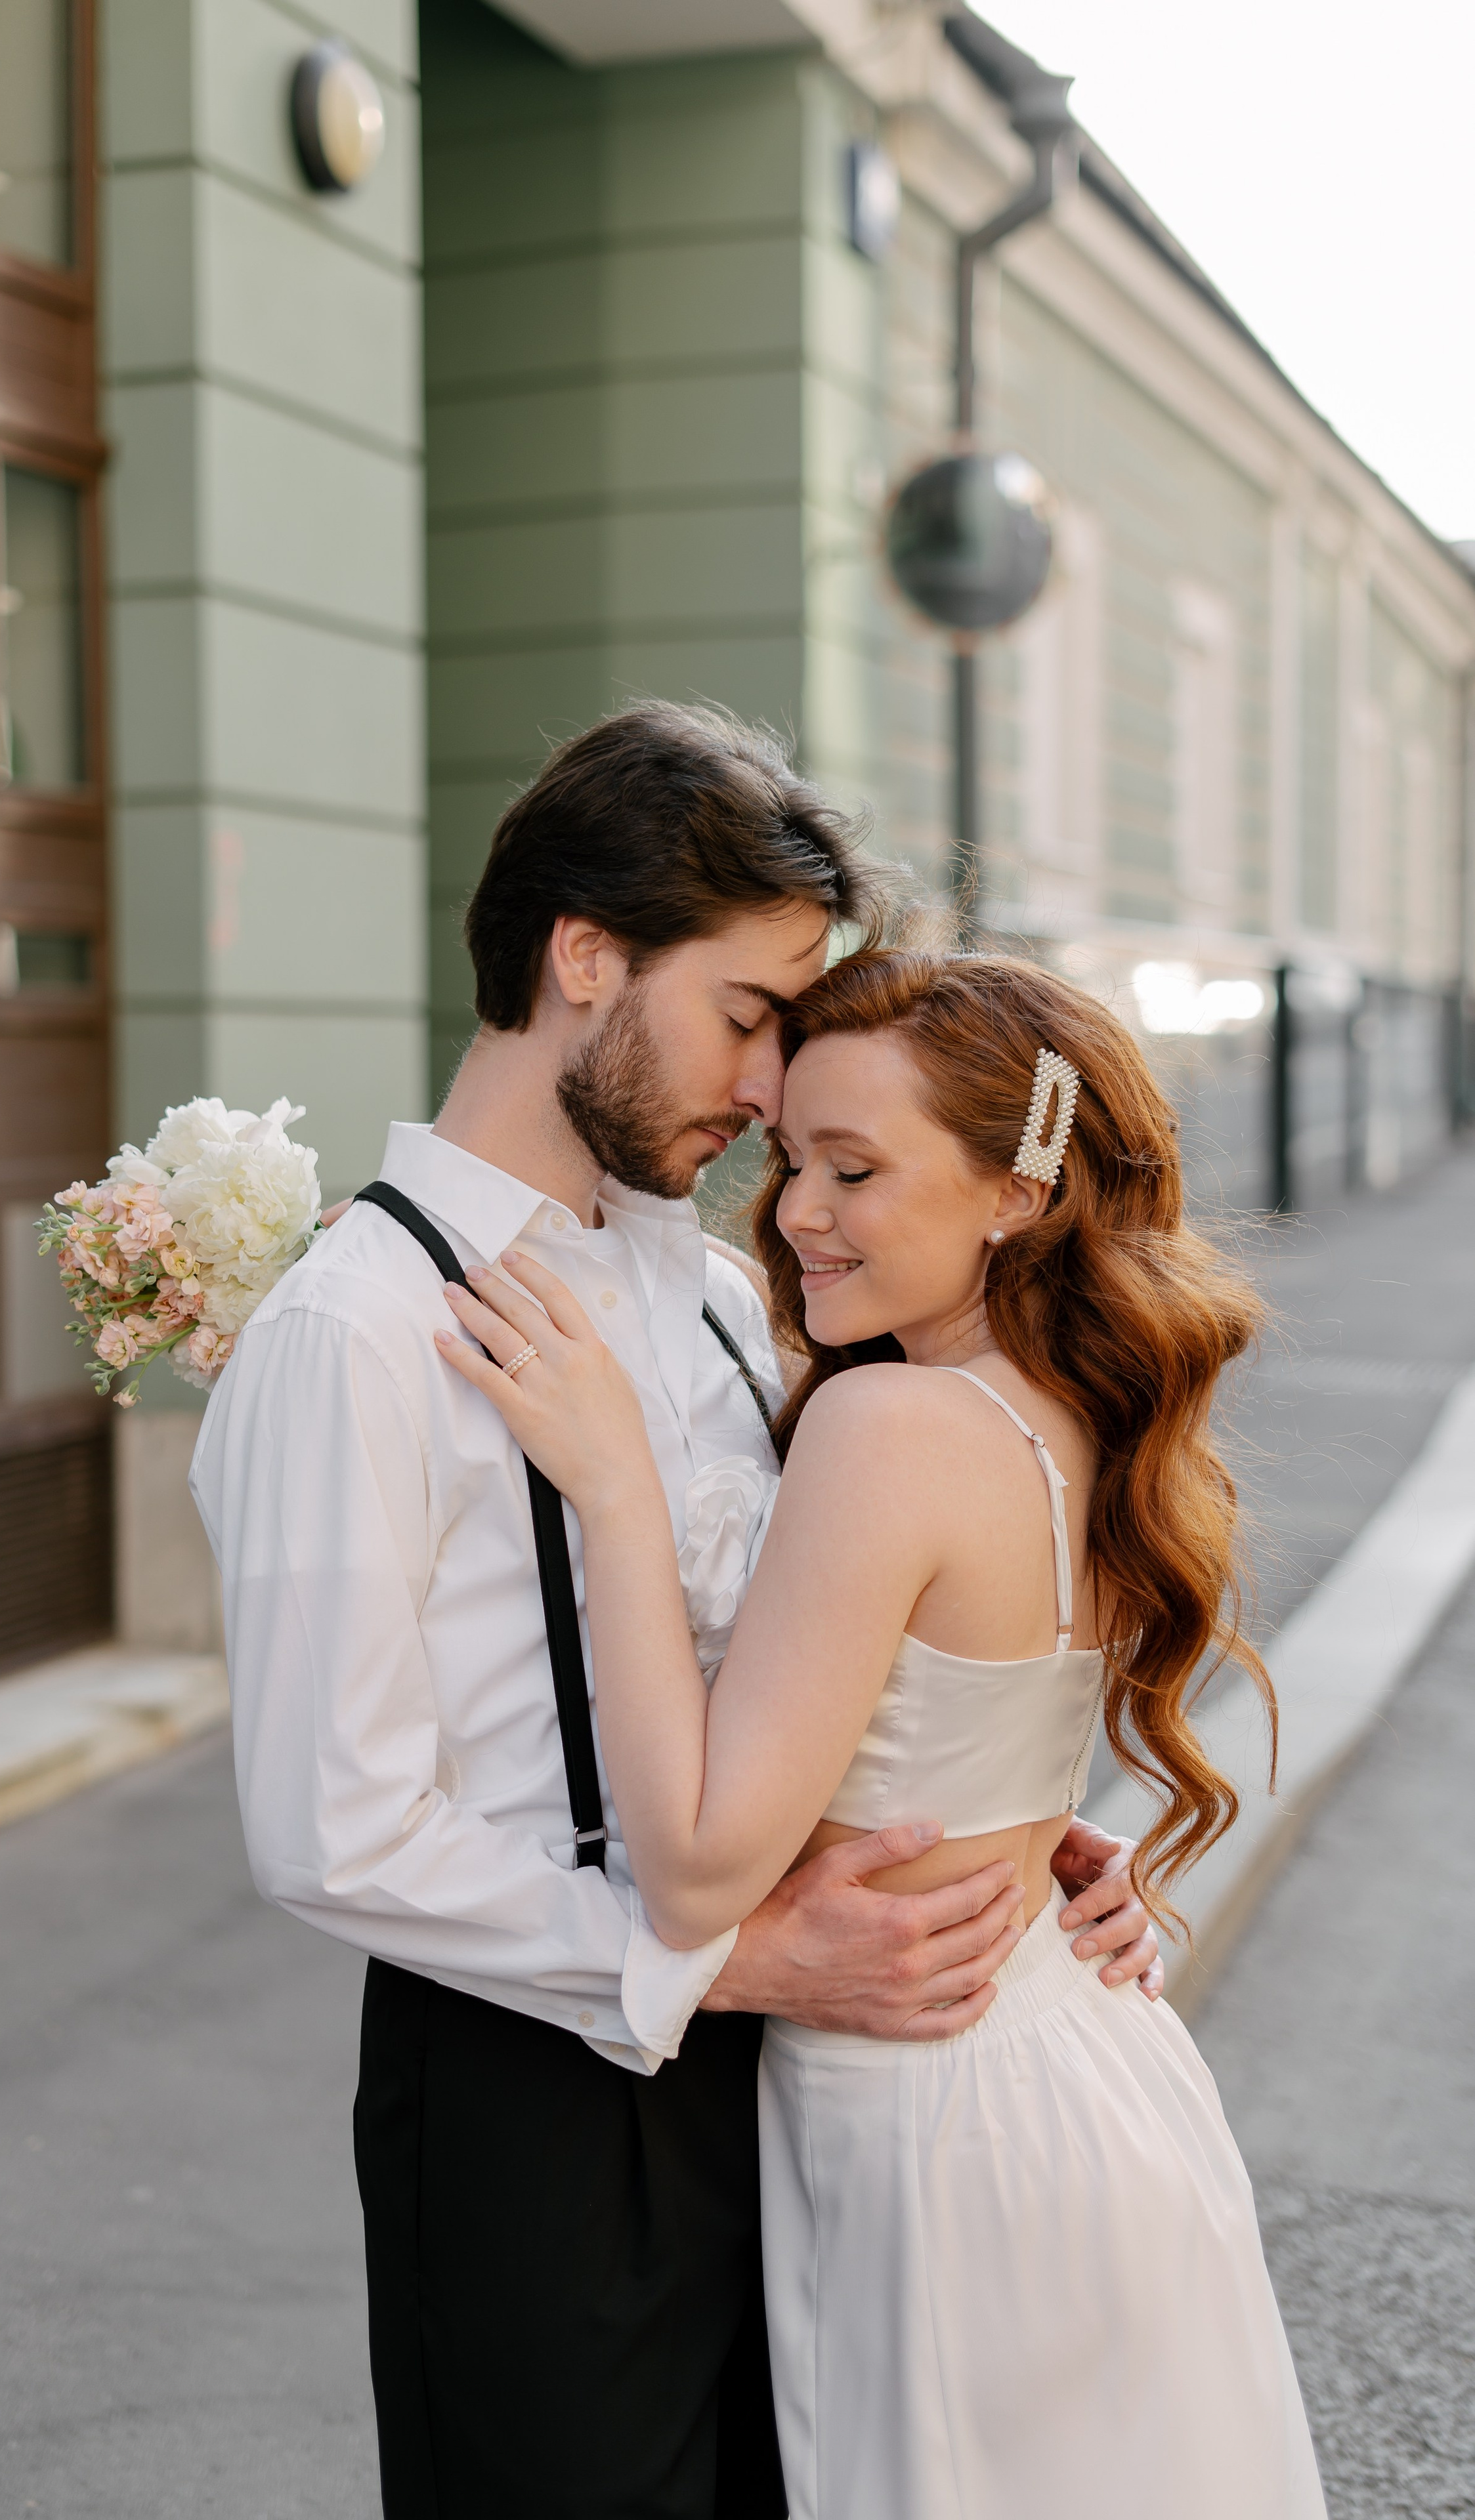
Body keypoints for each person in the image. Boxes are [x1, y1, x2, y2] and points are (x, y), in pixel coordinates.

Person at [191, 705, 1165, 2520]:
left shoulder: (728, 1291)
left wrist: (1011, 1832)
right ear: (584, 956)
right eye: (746, 1015)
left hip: (801, 2078)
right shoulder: (353, 1331)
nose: (764, 1087)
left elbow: (811, 1647)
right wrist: (723, 1960)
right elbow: (332, 1832)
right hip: (533, 2098)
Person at [438, 943, 1327, 2519]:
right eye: (789, 1159)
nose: (792, 1211)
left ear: (1013, 1193)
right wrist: (1053, 1839)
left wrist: (616, 1497)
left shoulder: (886, 1423)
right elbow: (976, 1733)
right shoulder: (1084, 1414)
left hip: (935, 2124)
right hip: (1088, 2071)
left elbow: (701, 1867)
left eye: (853, 1168)